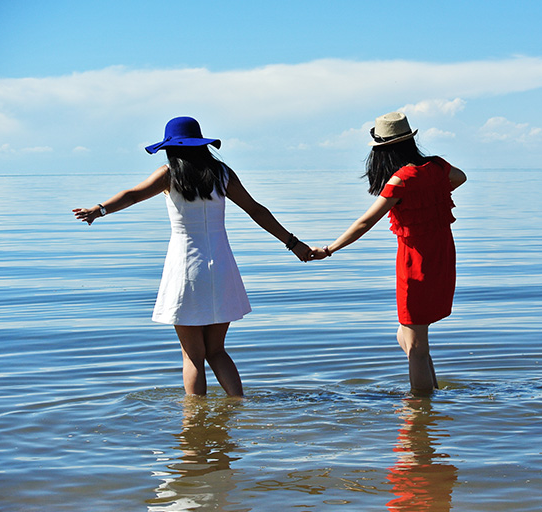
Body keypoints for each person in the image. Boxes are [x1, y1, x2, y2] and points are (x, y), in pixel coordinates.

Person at [73, 116, 310, 397]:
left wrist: (99, 210)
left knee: (192, 355)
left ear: (170, 148)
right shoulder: (222, 174)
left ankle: (194, 419)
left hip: (185, 269)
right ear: (201, 144)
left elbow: (133, 195)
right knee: (217, 351)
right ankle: (238, 406)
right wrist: (293, 243)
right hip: (222, 267)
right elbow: (256, 210)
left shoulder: (169, 174)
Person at [308, 112, 466, 394]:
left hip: (415, 265)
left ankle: (419, 409)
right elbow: (460, 177)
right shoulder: (437, 167)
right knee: (408, 336)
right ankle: (432, 395)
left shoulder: (401, 181)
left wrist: (329, 249)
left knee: (415, 346)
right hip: (442, 258)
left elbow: (365, 222)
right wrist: (432, 193)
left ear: (383, 151)